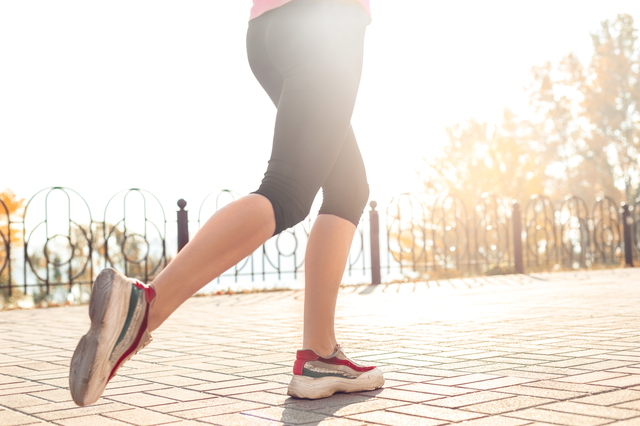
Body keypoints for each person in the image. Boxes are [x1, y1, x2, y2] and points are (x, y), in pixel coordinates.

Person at [69, 0, 384, 406]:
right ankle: (144, 306)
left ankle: (320, 357)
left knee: (347, 187)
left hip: (268, 29)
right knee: (287, 190)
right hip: (324, 20)